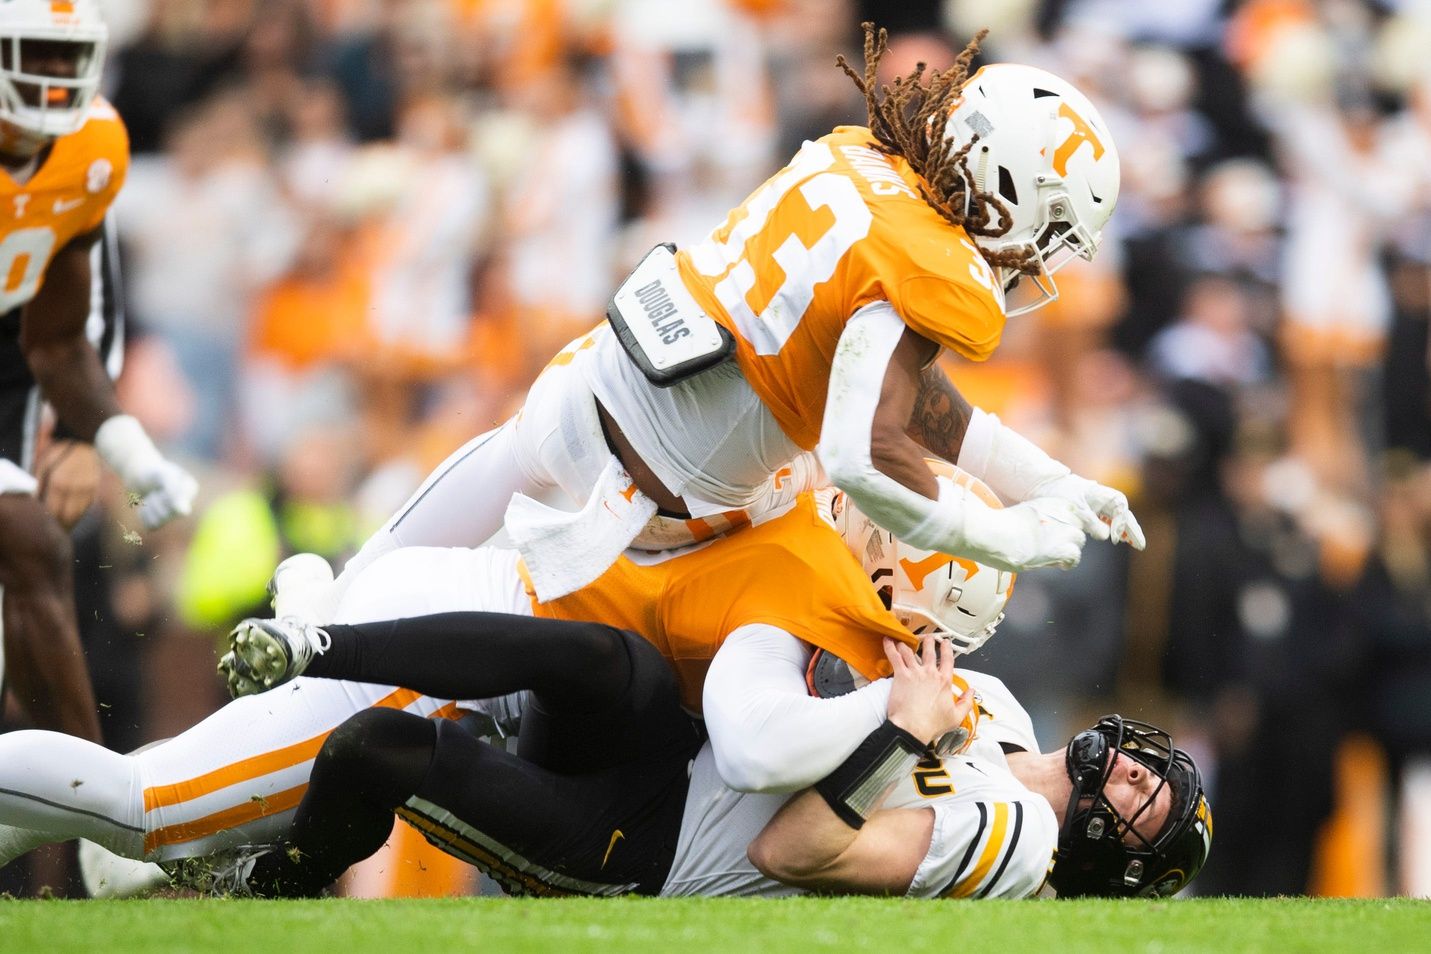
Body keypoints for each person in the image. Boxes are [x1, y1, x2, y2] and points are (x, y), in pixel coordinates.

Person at [309, 23, 1139, 623]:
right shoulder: (928, 266)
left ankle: (332, 603)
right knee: (816, 523)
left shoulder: (860, 156)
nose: (1046, 258)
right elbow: (862, 455)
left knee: (502, 468)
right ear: (1011, 187)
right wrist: (1004, 538)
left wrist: (1050, 482)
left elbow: (903, 390)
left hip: (594, 381)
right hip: (672, 503)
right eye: (1053, 230)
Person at [0, 472, 993, 885]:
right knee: (142, 807)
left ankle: (319, 621)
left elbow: (522, 446)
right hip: (460, 649)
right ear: (886, 582)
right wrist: (893, 707)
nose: (908, 648)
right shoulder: (810, 598)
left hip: (489, 614)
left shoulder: (803, 489)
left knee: (603, 665)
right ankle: (315, 639)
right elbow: (754, 744)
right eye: (912, 627)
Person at [216, 613, 1211, 900]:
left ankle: (276, 887)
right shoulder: (999, 705)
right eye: (1151, 768)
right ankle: (316, 641)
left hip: (644, 850)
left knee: (380, 751)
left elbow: (796, 851)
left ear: (1108, 855)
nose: (1137, 772)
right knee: (601, 656)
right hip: (680, 749)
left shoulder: (1018, 845)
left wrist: (903, 733)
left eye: (1148, 803)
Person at [0, 1, 195, 742]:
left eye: (66, 55)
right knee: (27, 545)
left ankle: (82, 788)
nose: (53, 74)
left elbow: (57, 340)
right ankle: (93, 792)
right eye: (34, 54)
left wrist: (127, 453)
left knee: (28, 560)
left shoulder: (92, 148)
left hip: (9, 364)